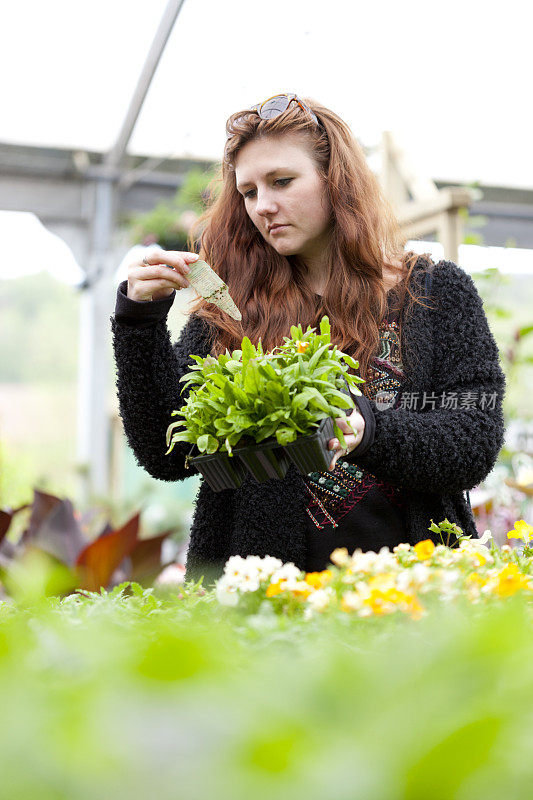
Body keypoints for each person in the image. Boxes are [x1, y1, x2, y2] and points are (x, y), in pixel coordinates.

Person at [111, 93, 506, 584]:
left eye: (282, 181)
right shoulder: (232, 309)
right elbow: (164, 454)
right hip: (260, 612)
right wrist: (138, 321)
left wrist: (370, 431)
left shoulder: (433, 292)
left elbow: (474, 438)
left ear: (335, 180)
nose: (264, 206)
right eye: (249, 192)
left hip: (413, 600)